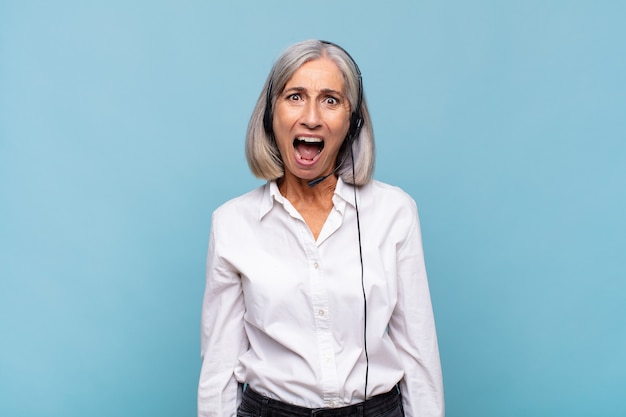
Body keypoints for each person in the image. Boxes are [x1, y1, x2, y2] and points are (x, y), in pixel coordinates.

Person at [198, 39, 444, 417]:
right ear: (270, 114)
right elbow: (218, 368)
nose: (311, 117)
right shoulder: (231, 222)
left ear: (352, 120)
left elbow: (418, 350)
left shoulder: (395, 211)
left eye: (330, 100)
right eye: (295, 96)